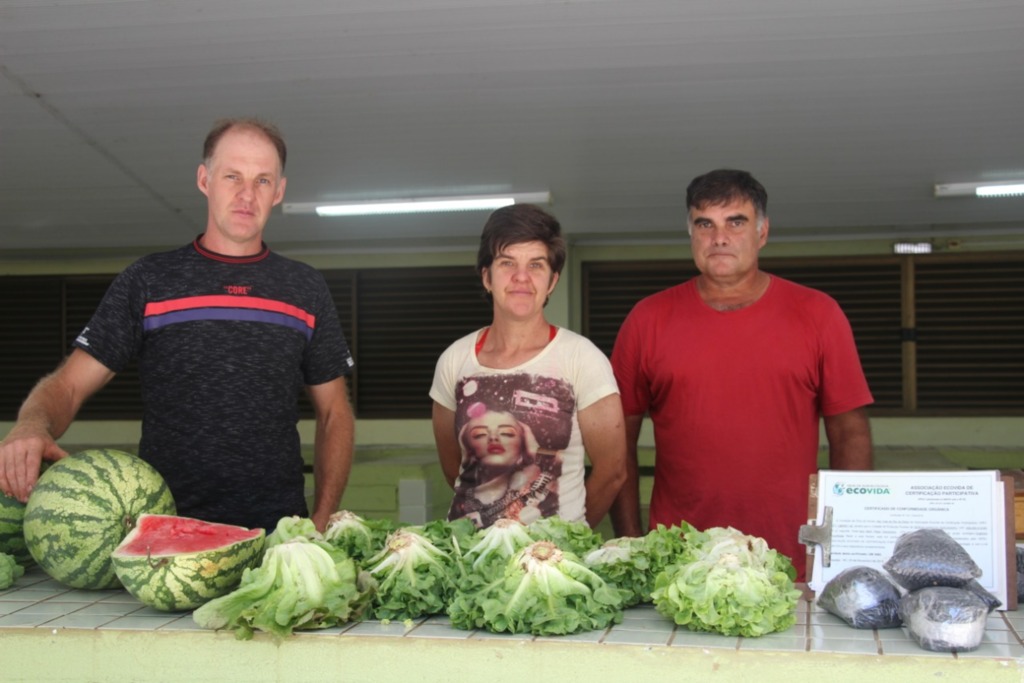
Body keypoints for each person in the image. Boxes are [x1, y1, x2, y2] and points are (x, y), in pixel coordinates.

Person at [0, 117, 355, 533]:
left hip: (275, 536)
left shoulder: (305, 288)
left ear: (279, 191)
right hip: (163, 535)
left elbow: (334, 413)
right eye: (232, 176)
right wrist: (29, 426)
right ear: (205, 180)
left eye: (262, 181)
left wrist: (322, 515)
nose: (246, 194)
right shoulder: (149, 280)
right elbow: (69, 385)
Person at [609, 168, 873, 580]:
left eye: (736, 222)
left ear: (763, 232)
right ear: (692, 234)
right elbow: (616, 439)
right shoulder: (647, 319)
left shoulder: (818, 314)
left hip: (791, 556)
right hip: (678, 560)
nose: (720, 237)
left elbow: (850, 433)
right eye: (705, 224)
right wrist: (630, 542)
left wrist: (845, 542)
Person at [431, 204, 627, 529]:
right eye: (507, 263)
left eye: (535, 265)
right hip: (469, 558)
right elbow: (455, 467)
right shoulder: (455, 359)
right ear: (486, 277)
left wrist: (568, 536)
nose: (521, 277)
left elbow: (613, 471)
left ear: (552, 281)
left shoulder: (582, 358)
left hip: (551, 564)